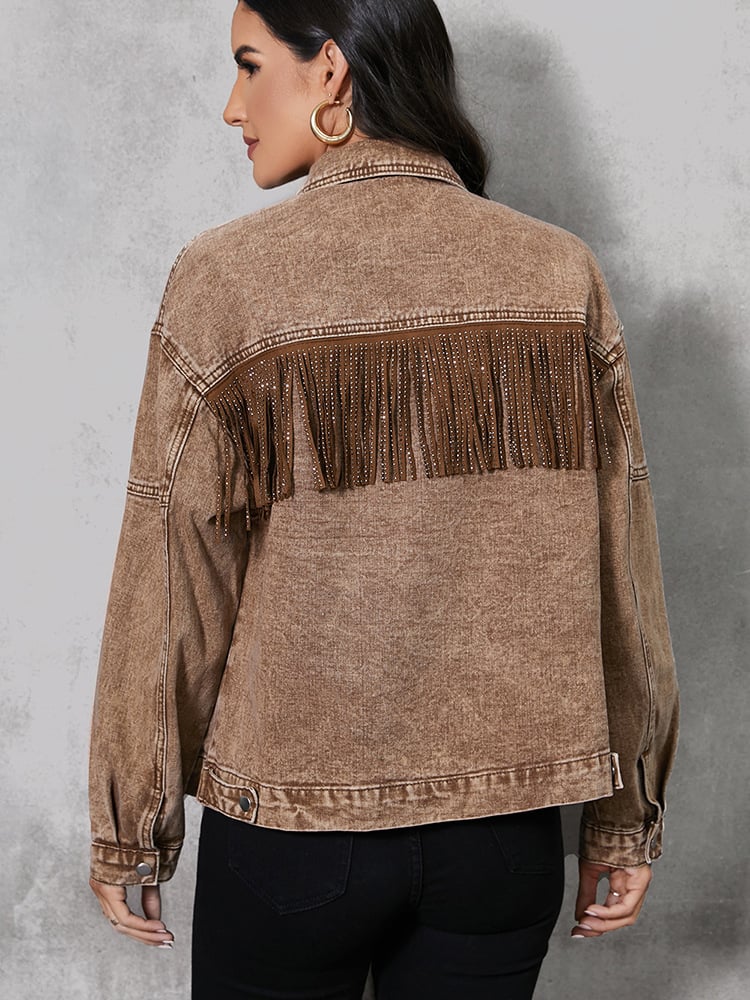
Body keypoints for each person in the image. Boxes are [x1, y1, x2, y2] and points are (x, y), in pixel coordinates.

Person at [88, 1, 679, 997]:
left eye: (249, 65)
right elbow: (623, 572)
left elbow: (174, 581)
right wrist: (627, 815)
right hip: (504, 841)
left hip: (291, 834)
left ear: (330, 72)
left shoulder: (227, 280)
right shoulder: (558, 273)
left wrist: (130, 826)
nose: (233, 105)